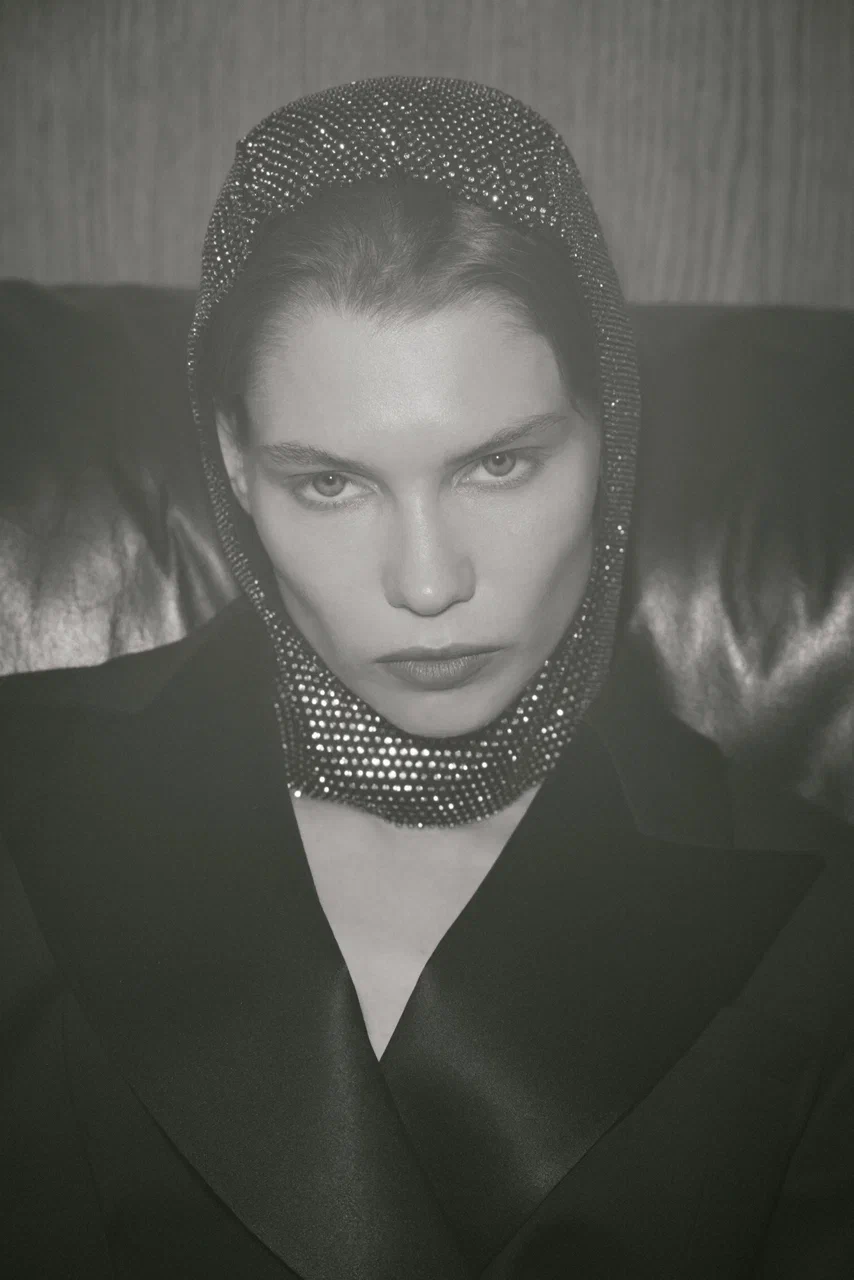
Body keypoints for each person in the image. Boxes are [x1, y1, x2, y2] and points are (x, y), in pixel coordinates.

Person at [1, 75, 852, 1280]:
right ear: (234, 466)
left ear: (607, 433)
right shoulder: (21, 792)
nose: (427, 580)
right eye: (329, 482)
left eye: (497, 465)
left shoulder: (819, 918)